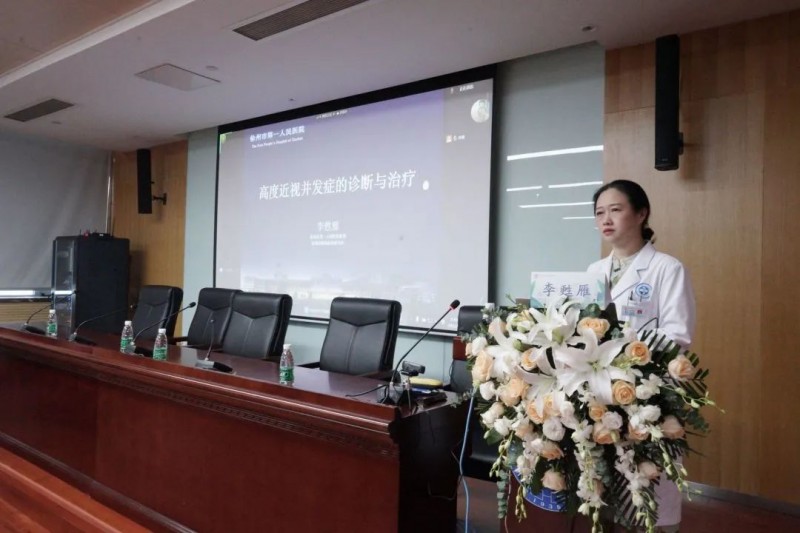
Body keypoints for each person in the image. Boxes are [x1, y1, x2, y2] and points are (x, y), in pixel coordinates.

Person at [588, 179, 695, 532]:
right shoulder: (593, 272)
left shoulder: (667, 268)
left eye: (615, 210)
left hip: (649, 391)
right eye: (599, 213)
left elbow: (678, 334)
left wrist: (622, 349)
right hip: (601, 392)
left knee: (649, 488)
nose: (606, 219)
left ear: (641, 214)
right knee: (606, 484)